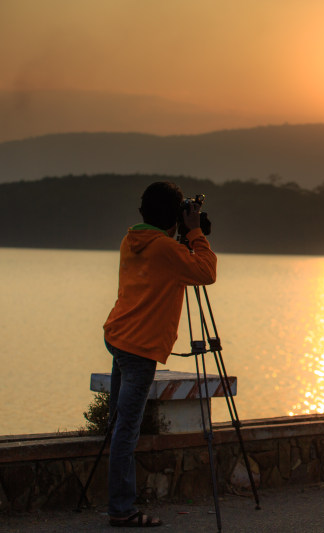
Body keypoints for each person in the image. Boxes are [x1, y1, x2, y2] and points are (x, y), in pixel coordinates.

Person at [102, 181, 217, 527]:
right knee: (127, 429)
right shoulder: (166, 250)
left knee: (118, 424)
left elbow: (171, 261)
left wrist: (183, 234)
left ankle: (117, 502)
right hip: (139, 347)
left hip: (118, 336)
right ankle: (122, 510)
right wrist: (195, 233)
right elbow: (206, 272)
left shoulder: (132, 240)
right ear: (172, 216)